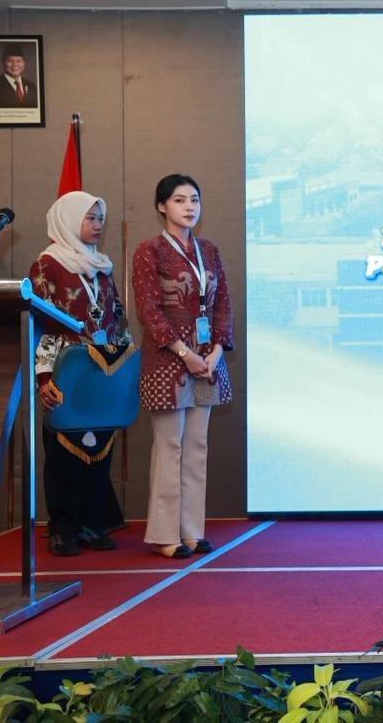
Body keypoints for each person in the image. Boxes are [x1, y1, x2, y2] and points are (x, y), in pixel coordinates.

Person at [132, 174, 233, 559]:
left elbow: (222, 304)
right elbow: (149, 310)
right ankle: (164, 535)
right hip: (167, 360)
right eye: (179, 200)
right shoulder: (150, 250)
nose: (189, 207)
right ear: (162, 206)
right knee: (169, 445)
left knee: (196, 446)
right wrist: (183, 353)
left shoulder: (209, 249)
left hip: (207, 359)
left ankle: (192, 532)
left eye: (194, 199)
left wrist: (216, 351)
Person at [29, 192, 133, 556]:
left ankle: (91, 523)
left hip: (102, 372)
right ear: (69, 220)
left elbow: (117, 319)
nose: (98, 225)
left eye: (100, 218)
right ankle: (63, 529)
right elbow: (39, 325)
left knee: (100, 450)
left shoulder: (101, 266)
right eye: (90, 218)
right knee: (64, 456)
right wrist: (44, 378)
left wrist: (124, 370)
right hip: (66, 372)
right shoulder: (47, 264)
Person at [0, 43, 38, 108]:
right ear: (3, 62)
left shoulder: (32, 87)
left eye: (18, 61)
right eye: (10, 61)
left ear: (24, 63)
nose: (15, 65)